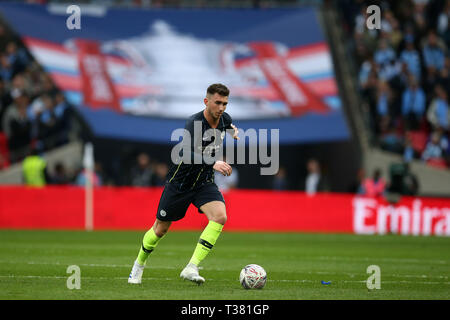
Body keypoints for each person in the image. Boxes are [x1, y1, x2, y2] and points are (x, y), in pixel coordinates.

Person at [128, 83, 239, 285]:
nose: (221, 108)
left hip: (204, 182)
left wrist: (233, 131)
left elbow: (228, 127)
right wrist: (213, 162)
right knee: (160, 230)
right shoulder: (194, 123)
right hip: (180, 183)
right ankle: (138, 265)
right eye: (217, 103)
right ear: (206, 102)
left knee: (220, 216)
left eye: (225, 103)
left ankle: (191, 267)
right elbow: (185, 153)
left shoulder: (225, 119)